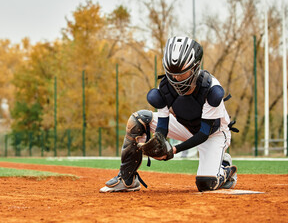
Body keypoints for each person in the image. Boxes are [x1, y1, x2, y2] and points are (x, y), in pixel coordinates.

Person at [100, 36, 238, 193]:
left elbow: (204, 133)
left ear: (195, 68)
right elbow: (163, 125)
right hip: (184, 126)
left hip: (214, 134)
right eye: (172, 74)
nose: (177, 79)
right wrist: (159, 139)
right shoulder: (166, 86)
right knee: (139, 120)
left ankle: (225, 167)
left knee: (205, 184)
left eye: (183, 73)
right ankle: (127, 179)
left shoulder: (211, 89)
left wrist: (173, 150)